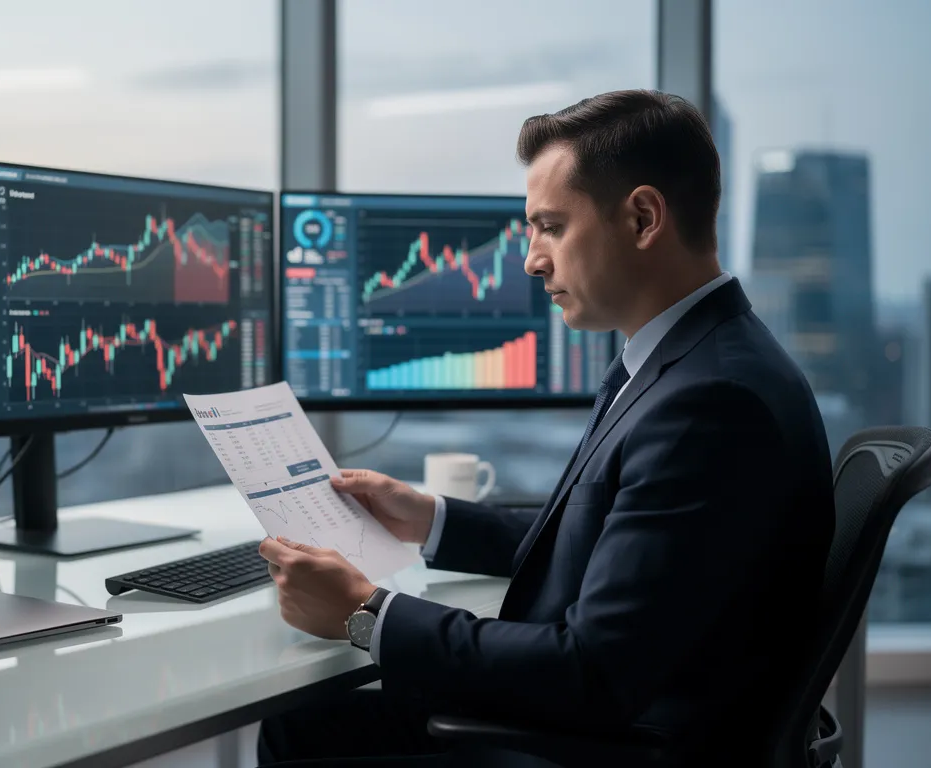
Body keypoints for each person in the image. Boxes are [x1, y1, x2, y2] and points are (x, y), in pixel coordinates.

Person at [256, 89, 836, 767]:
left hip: (624, 742)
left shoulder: (710, 402)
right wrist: (431, 518)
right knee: (309, 726)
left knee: (305, 734)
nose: (532, 259)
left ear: (644, 217)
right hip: (644, 718)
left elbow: (591, 673)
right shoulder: (697, 360)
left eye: (551, 226)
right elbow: (616, 539)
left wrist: (366, 611)